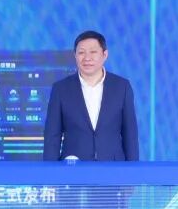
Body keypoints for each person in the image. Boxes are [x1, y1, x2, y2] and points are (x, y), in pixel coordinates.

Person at [43, 30, 138, 161]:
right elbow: (52, 137)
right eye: (81, 52)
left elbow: (130, 135)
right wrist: (50, 172)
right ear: (75, 55)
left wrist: (133, 171)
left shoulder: (122, 87)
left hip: (113, 168)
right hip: (73, 168)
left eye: (93, 52)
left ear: (105, 55)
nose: (87, 58)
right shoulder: (60, 89)